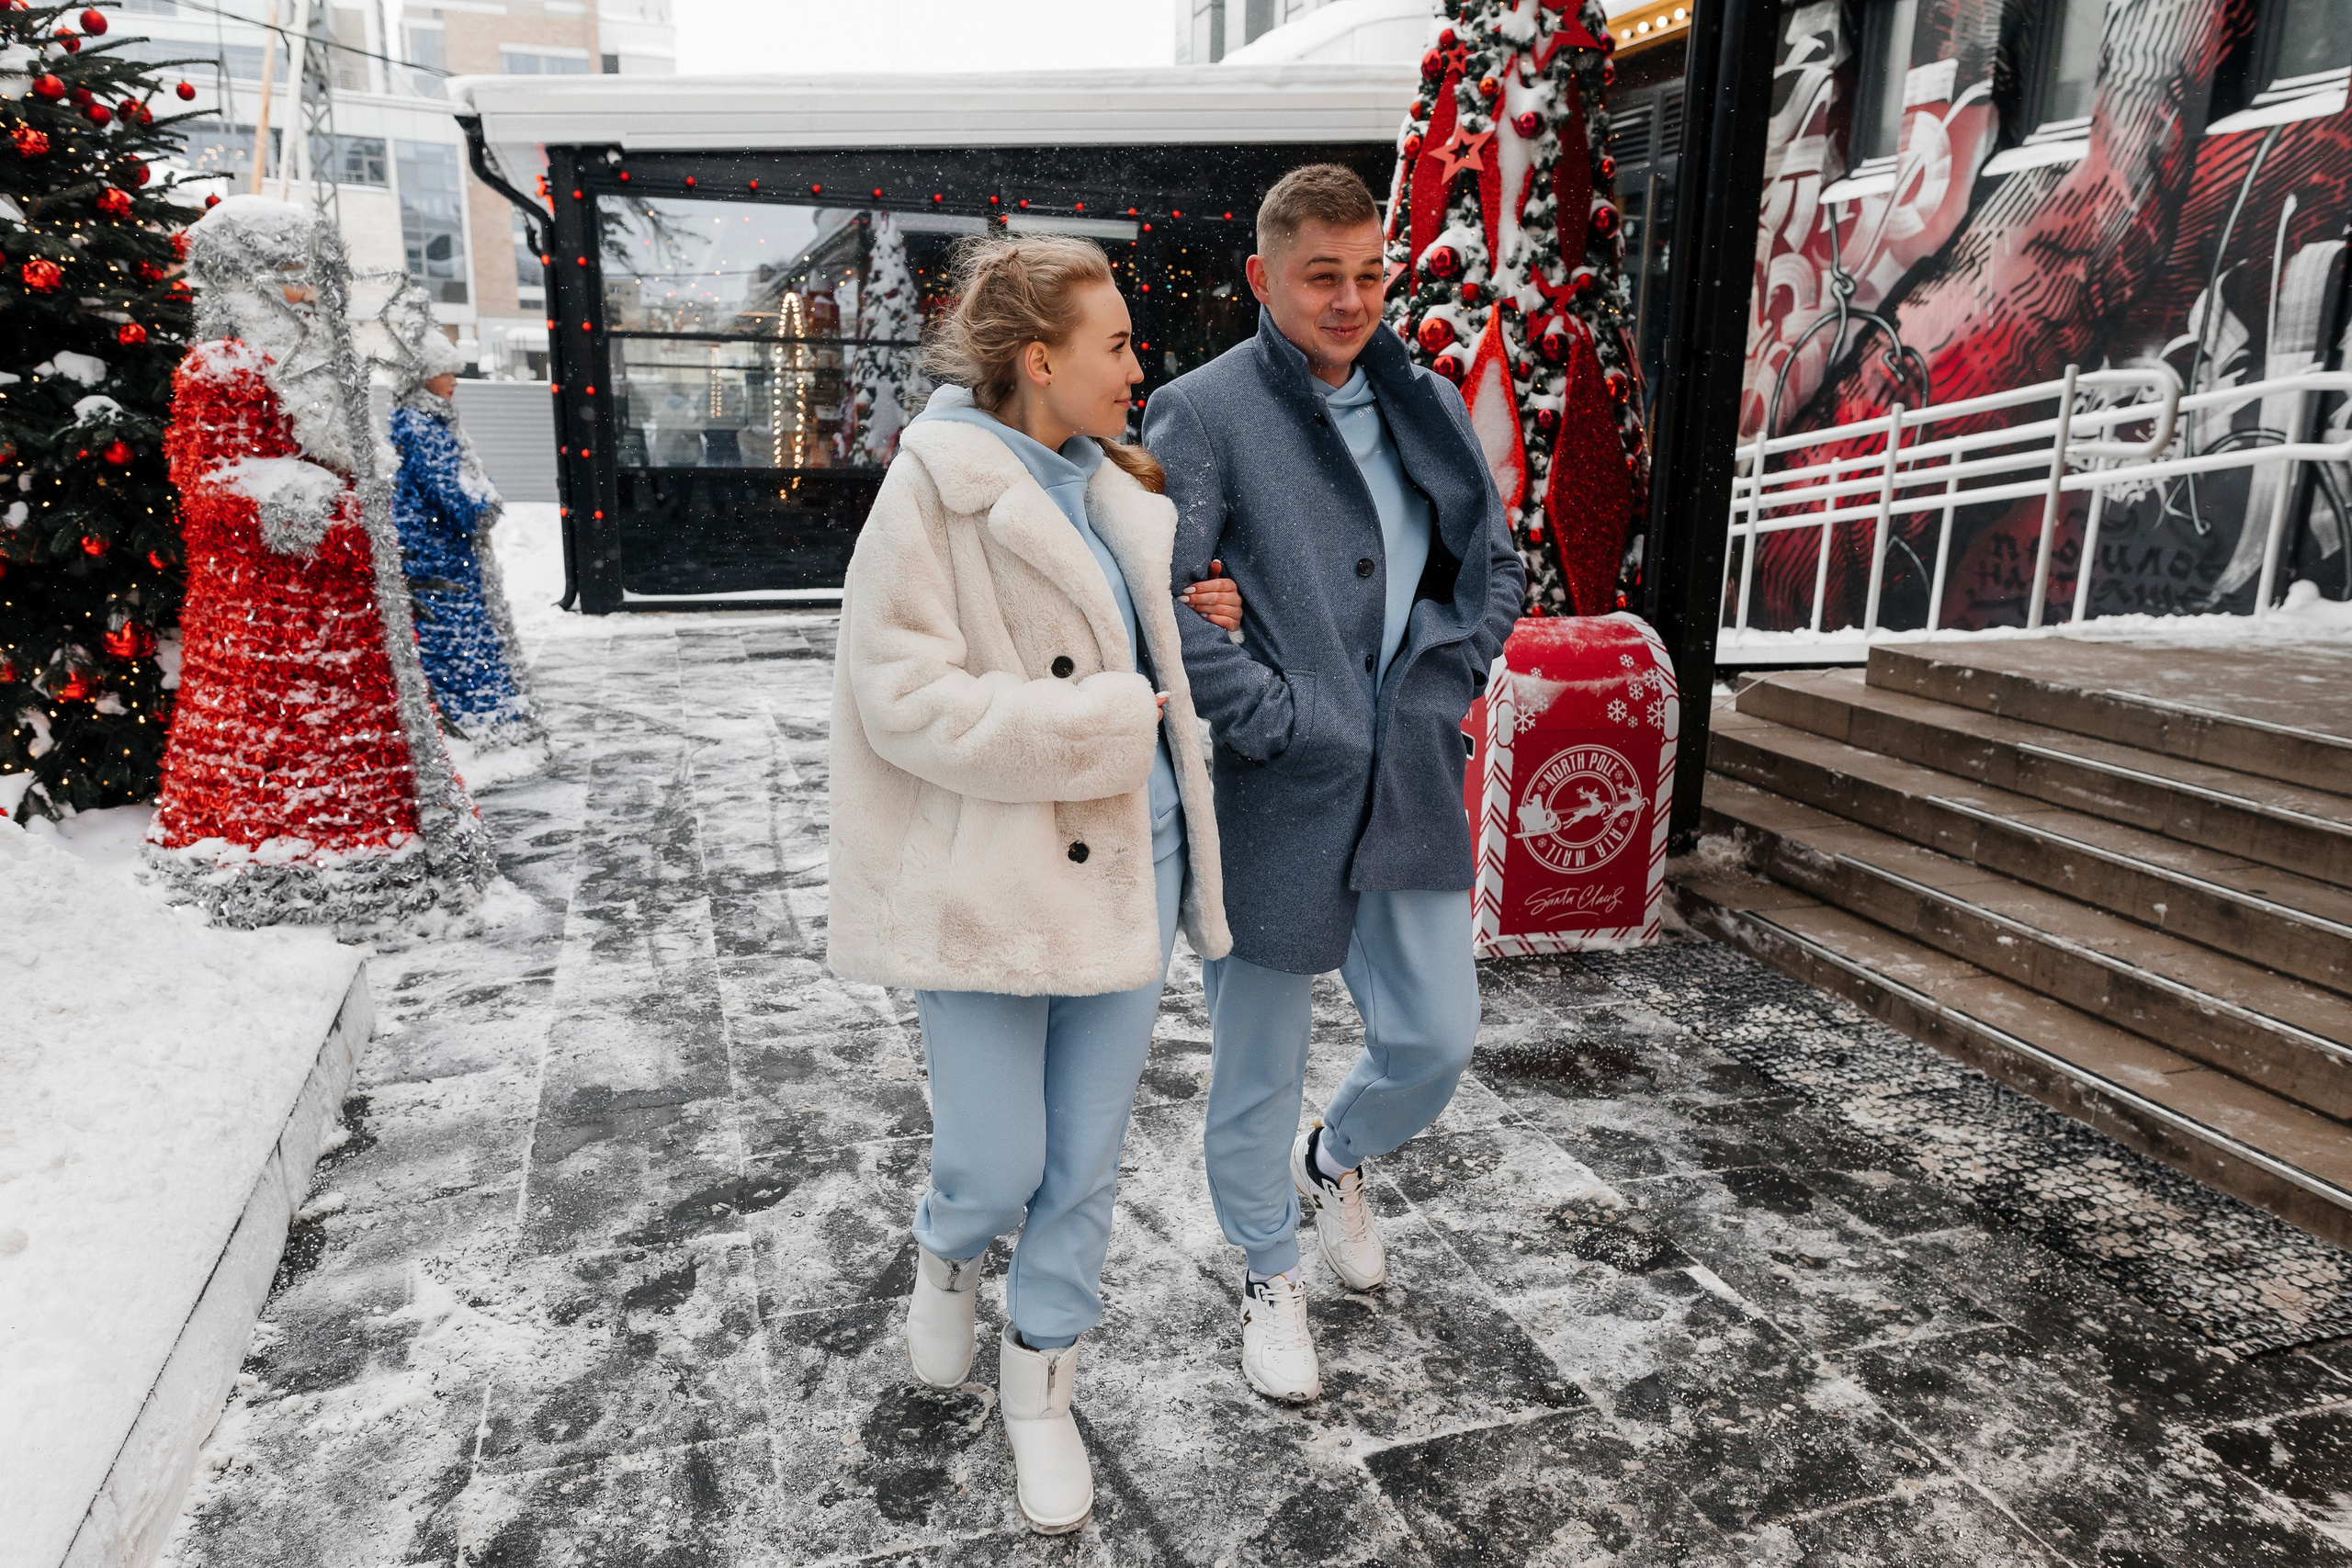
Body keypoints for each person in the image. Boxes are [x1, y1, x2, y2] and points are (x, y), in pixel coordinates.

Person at [825, 234, 1241, 1535]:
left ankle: (1043, 1384)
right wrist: (1093, 725)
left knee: (1085, 1163)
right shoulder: (933, 490)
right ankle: (949, 1244)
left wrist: (1195, 626)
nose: (1138, 365)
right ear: (1039, 360)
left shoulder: (1115, 485)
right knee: (999, 1161)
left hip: (1133, 864)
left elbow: (1127, 660)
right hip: (993, 884)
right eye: (1115, 344)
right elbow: (899, 697)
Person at [1143, 164, 1524, 1402]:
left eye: (1369, 274)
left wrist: (1441, 682)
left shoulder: (1424, 396)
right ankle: (1268, 1269)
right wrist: (1274, 715)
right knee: (1257, 1063)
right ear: (1264, 277)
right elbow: (1163, 594)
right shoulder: (1202, 411)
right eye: (1323, 276)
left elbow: (1495, 568)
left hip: (1406, 772)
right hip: (1276, 793)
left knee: (1435, 1036)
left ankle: (1336, 1155)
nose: (1352, 300)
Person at [150, 195, 493, 929]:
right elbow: (209, 477)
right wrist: (303, 505)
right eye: (290, 270)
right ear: (250, 275)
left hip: (348, 607)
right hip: (270, 613)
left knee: (362, 741)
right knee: (280, 744)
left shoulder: (319, 361)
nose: (305, 286)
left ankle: (389, 848)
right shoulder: (223, 366)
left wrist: (362, 510)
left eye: (309, 270)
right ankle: (284, 864)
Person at [380, 282, 547, 771]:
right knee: (457, 643)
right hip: (439, 557)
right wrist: (484, 506)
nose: (454, 379)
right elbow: (457, 494)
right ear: (422, 376)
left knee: (461, 639)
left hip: (443, 554)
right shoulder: (422, 426)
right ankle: (474, 722)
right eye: (444, 371)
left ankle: (478, 720)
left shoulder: (432, 422)